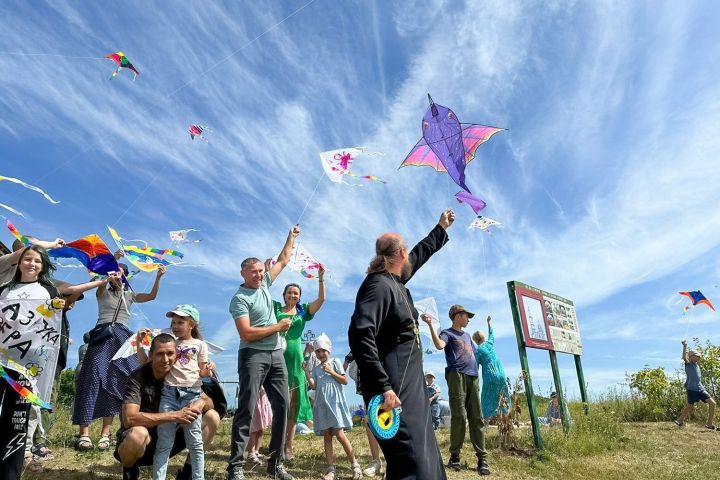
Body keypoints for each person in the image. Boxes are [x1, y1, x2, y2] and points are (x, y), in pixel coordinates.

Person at [348, 210, 455, 480]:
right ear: (401, 254)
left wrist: (440, 228)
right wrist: (384, 386)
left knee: (422, 453)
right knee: (410, 458)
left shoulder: (395, 281)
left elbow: (421, 254)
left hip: (410, 385)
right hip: (392, 388)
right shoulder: (378, 286)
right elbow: (360, 334)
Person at [0, 245, 107, 479]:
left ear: (43, 266)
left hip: (27, 369)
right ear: (18, 262)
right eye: (27, 259)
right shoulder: (5, 289)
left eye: (37, 261)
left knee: (18, 419)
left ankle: (12, 470)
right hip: (2, 363)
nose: (32, 264)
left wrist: (101, 280)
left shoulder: (48, 290)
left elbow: (74, 288)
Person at [226, 225, 300, 480]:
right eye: (253, 272)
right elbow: (245, 333)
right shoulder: (239, 299)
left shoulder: (266, 283)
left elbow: (283, 259)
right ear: (243, 273)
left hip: (276, 356)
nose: (259, 275)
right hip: (252, 356)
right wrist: (277, 327)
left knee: (283, 406)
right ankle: (235, 466)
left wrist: (290, 238)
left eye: (260, 271)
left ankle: (275, 464)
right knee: (246, 408)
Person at [73, 261, 166, 452]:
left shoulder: (129, 296)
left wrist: (158, 277)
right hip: (102, 334)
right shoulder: (103, 291)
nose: (117, 276)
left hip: (122, 336)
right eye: (114, 273)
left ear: (126, 277)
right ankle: (84, 434)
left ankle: (105, 435)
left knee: (116, 380)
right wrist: (106, 270)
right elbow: (97, 283)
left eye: (121, 273)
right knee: (92, 380)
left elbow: (152, 296)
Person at [115, 333, 222, 480]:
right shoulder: (138, 377)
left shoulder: (181, 374)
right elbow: (129, 419)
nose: (165, 359)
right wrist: (175, 415)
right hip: (143, 443)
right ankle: (130, 470)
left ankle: (188, 473)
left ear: (177, 355)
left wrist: (200, 403)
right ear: (150, 355)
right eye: (159, 354)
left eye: (170, 354)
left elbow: (209, 402)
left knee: (212, 416)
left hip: (169, 437)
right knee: (137, 434)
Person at [139, 305, 213, 480]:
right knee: (164, 443)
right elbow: (145, 364)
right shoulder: (169, 343)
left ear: (192, 325)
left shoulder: (200, 345)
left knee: (195, 444)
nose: (175, 326)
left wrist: (208, 371)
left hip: (192, 395)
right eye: (173, 322)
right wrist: (141, 344)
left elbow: (203, 373)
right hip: (169, 394)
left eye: (181, 322)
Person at [424, 305, 490, 475]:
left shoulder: (468, 336)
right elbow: (439, 345)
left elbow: (474, 355)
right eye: (466, 316)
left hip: (473, 377)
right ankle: (455, 456)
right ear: (457, 316)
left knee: (476, 416)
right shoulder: (447, 333)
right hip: (456, 375)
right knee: (459, 416)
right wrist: (431, 325)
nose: (468, 319)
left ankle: (482, 458)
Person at [273, 266, 326, 461]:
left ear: (299, 296)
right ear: (284, 295)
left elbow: (321, 300)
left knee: (293, 403)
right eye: (290, 292)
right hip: (277, 354)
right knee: (278, 402)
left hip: (295, 358)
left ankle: (288, 446)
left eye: (296, 293)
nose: (293, 295)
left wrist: (320, 279)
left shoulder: (303, 312)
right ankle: (274, 444)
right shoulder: (276, 308)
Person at [304, 334, 361, 480]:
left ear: (329, 351)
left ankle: (355, 465)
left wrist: (331, 371)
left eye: (323, 350)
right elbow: (314, 385)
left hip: (335, 403)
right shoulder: (316, 368)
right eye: (317, 351)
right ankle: (330, 469)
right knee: (327, 435)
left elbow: (344, 380)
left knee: (340, 434)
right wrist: (307, 372)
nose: (320, 354)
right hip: (322, 405)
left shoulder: (335, 361)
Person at [343, 351, 384, 477]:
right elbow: (359, 342)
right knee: (369, 419)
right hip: (366, 375)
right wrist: (348, 359)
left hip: (384, 371)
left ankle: (393, 462)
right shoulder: (361, 334)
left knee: (387, 417)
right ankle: (376, 461)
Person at [472, 315, 511, 420]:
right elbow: (491, 334)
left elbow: (475, 367)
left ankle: (489, 419)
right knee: (503, 394)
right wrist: (488, 323)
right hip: (501, 372)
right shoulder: (490, 343)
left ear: (475, 341)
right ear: (483, 337)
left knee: (487, 396)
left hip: (490, 374)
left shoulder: (478, 350)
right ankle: (505, 416)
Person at [675, 340, 717, 430]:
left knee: (712, 403)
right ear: (691, 357)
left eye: (699, 356)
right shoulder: (688, 365)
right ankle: (680, 420)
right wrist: (685, 346)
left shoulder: (697, 365)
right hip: (691, 389)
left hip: (700, 389)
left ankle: (709, 424)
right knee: (690, 407)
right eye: (696, 356)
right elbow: (684, 357)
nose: (698, 357)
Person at [247, 387, 273, 466]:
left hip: (263, 395)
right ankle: (251, 452)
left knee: (262, 426)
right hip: (254, 395)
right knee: (254, 426)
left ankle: (256, 451)